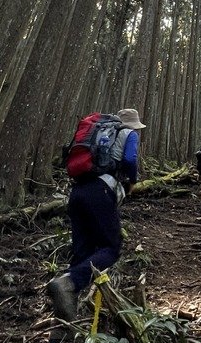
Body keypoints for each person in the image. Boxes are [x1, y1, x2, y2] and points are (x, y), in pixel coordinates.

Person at [47, 107, 143, 321]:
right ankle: (69, 282)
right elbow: (130, 160)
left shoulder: (98, 132)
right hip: (100, 191)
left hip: (77, 192)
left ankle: (63, 325)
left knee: (82, 253)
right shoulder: (129, 134)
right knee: (111, 247)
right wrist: (132, 181)